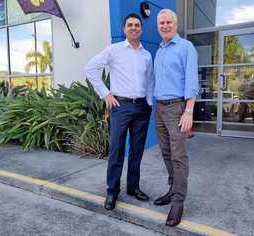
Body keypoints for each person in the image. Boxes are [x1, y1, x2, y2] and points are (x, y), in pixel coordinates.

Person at [85, 13, 154, 211]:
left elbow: (150, 80)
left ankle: (133, 187)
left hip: (141, 108)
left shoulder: (146, 55)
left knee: (137, 150)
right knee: (116, 150)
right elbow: (90, 68)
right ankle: (112, 191)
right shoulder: (114, 50)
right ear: (124, 29)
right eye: (130, 25)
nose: (134, 27)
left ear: (141, 29)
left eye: (137, 25)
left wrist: (148, 101)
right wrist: (105, 94)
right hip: (120, 107)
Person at [153, 9, 199, 226]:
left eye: (168, 22)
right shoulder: (160, 50)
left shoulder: (185, 47)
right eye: (161, 22)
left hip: (177, 108)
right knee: (166, 152)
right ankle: (173, 189)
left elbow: (191, 81)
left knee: (179, 156)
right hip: (160, 109)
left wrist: (188, 111)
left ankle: (178, 203)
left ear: (176, 24)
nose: (165, 25)